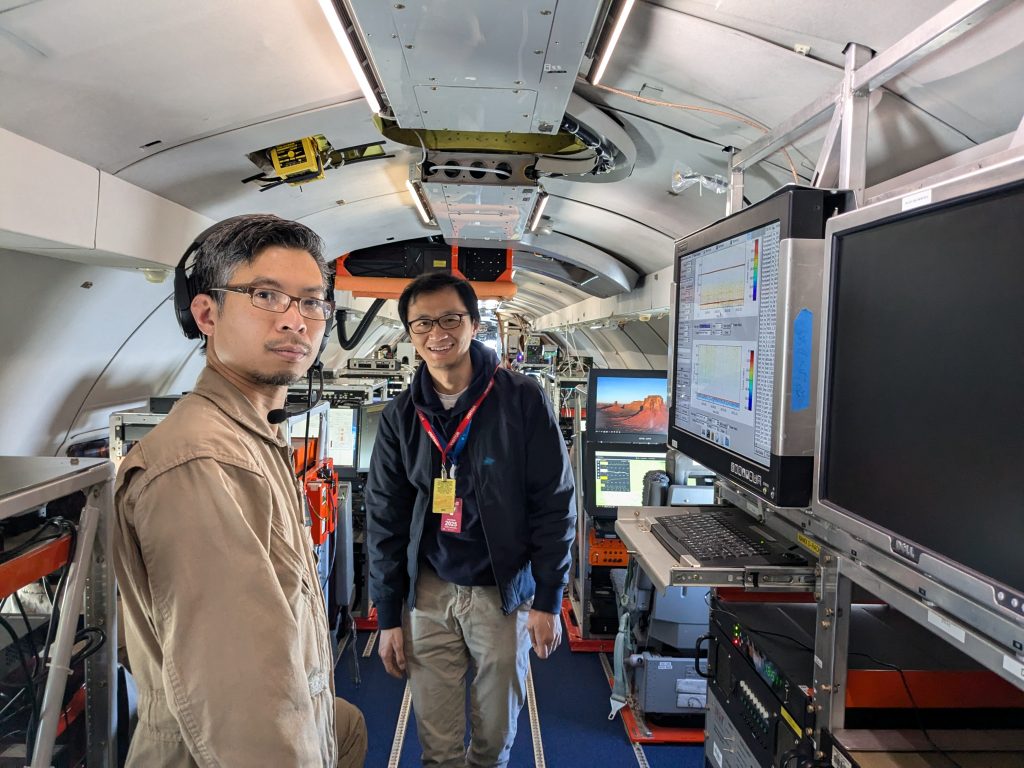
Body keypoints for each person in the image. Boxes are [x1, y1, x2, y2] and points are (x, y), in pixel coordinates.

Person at [113, 215, 367, 767]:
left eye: (311, 302)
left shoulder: (255, 438)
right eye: (266, 295)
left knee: (350, 726)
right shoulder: (203, 463)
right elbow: (248, 705)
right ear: (205, 313)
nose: (296, 321)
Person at [364, 272, 576, 767]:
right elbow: (385, 517)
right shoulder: (401, 417)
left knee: (495, 738)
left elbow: (554, 502)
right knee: (437, 745)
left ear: (474, 323)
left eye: (450, 319)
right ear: (410, 335)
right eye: (422, 324)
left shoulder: (521, 400)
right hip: (429, 593)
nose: (437, 333)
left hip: (501, 594)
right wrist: (388, 613)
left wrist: (549, 598)